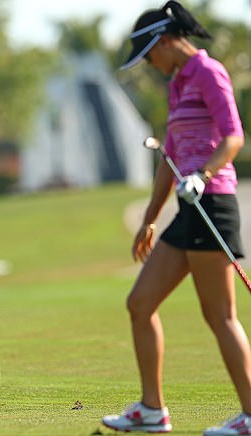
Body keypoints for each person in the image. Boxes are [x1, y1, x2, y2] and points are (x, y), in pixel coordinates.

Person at [102, 2, 248, 434]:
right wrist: (149, 218)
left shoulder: (209, 72)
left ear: (165, 42)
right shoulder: (178, 84)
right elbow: (169, 158)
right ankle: (152, 410)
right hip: (188, 209)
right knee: (140, 303)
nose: (149, 64)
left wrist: (203, 175)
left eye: (149, 55)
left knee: (219, 316)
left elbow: (233, 136)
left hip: (213, 203)